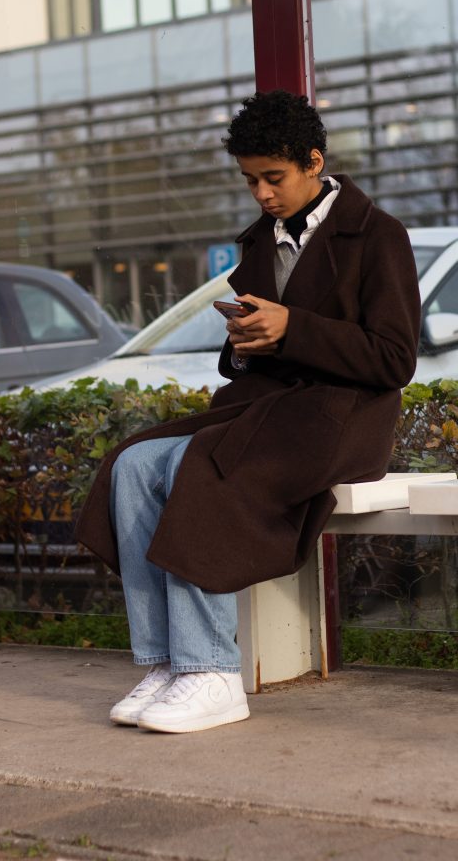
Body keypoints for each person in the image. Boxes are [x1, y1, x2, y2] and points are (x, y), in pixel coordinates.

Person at [77, 90, 421, 734]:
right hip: (266, 410)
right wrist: (246, 343)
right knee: (132, 464)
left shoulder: (379, 235)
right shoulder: (262, 239)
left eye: (273, 177)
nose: (261, 193)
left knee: (202, 466)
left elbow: (395, 358)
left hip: (340, 420)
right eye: (249, 180)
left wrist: (293, 326)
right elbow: (256, 357)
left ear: (315, 161)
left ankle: (211, 672)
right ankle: (168, 663)